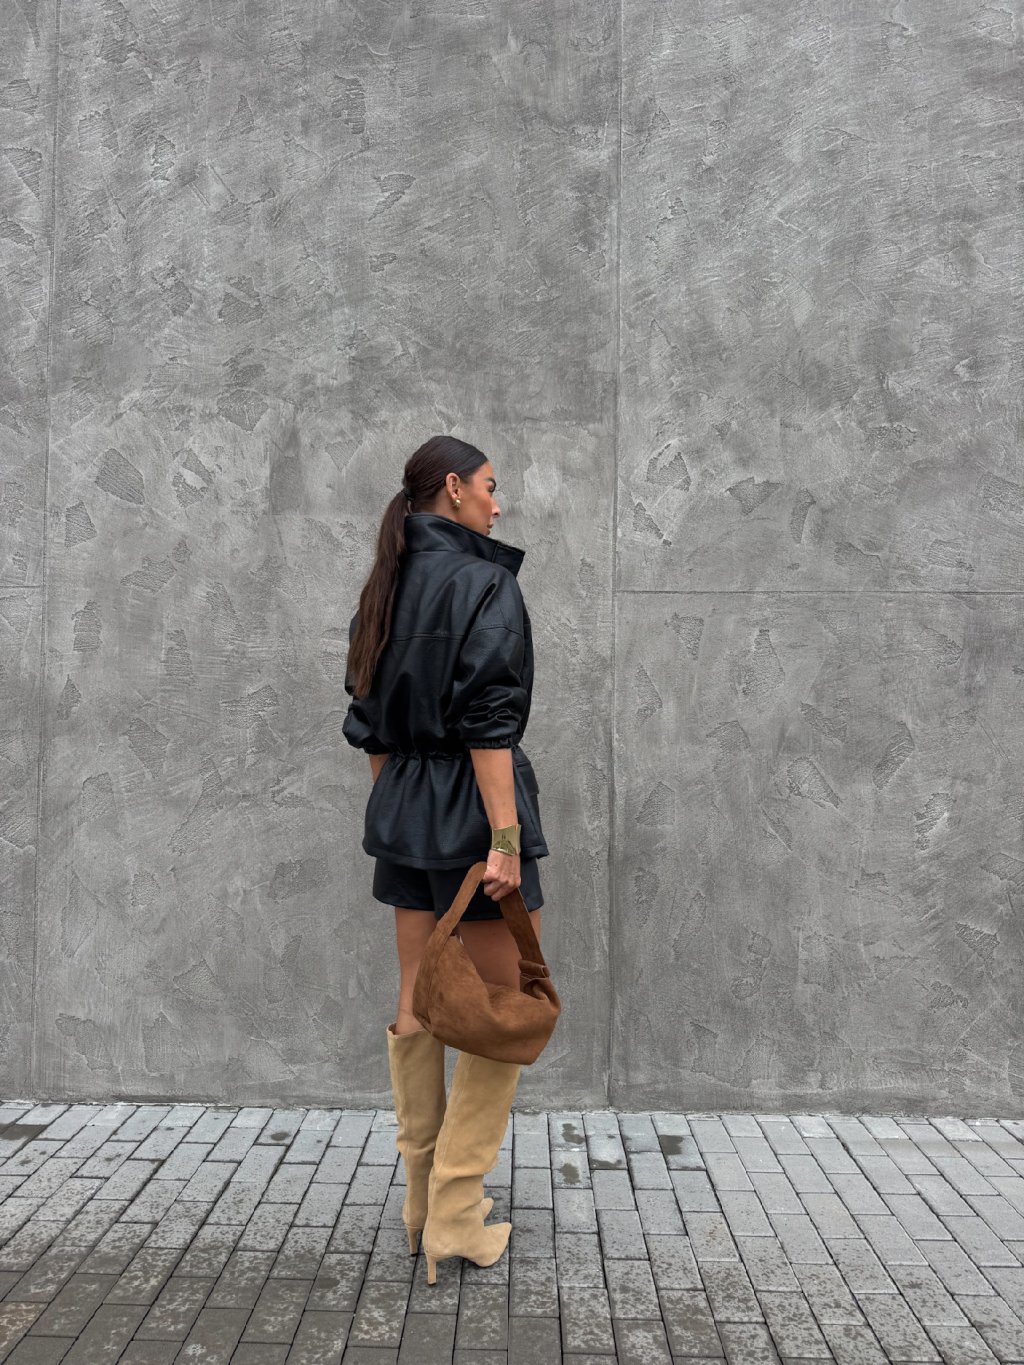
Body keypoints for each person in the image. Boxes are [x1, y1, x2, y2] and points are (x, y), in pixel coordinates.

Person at [342, 434, 550, 1284]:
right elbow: (489, 722)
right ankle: (457, 1217)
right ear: (455, 488)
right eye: (492, 487)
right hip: (472, 810)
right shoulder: (483, 582)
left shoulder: (384, 584)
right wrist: (503, 837)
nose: (499, 504)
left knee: (417, 1000)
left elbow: (369, 725)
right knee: (502, 1008)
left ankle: (421, 1206)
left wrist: (397, 810)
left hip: (403, 804)